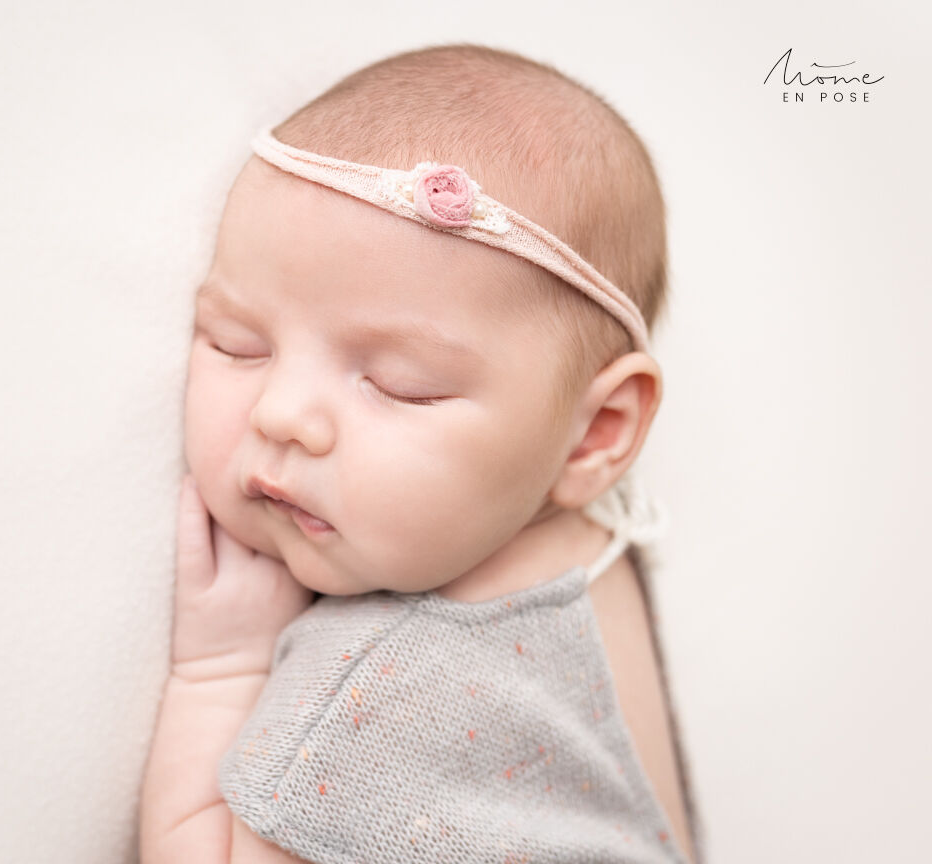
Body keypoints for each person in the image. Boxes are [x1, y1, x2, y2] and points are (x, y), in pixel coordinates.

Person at [140, 42, 704, 864]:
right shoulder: (599, 554)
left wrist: (220, 672)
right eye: (237, 344)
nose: (284, 414)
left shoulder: (361, 701)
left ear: (596, 434)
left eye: (401, 385)